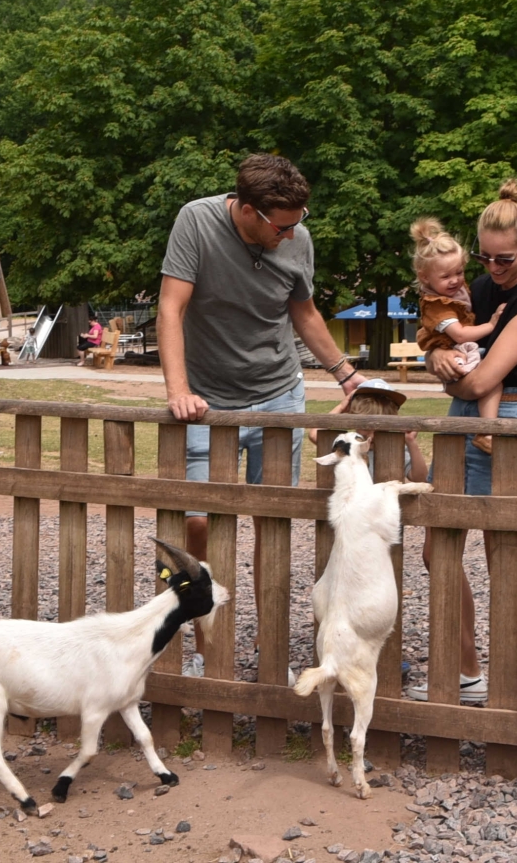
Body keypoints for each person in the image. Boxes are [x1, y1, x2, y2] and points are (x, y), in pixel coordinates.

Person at [159, 154, 368, 670]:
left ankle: (268, 643)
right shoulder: (196, 221)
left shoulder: (296, 235)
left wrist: (346, 373)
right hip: (208, 401)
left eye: (299, 222)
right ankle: (207, 647)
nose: (292, 233)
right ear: (248, 211)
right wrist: (179, 390)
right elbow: (171, 307)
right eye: (282, 225)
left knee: (269, 524)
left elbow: (304, 311)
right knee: (200, 522)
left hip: (278, 395)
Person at [413, 180, 517, 711]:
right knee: (437, 547)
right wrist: (436, 359)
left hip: (511, 420)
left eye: (505, 258)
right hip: (463, 418)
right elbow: (447, 345)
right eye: (485, 257)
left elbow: (479, 381)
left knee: (504, 555)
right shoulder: (476, 286)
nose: (493, 269)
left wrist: (449, 374)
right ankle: (469, 670)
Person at [411, 217, 504, 441]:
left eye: (459, 273)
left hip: (458, 352)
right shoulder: (438, 305)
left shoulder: (454, 292)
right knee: (492, 381)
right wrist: (491, 325)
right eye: (446, 276)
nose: (455, 281)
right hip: (457, 353)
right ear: (425, 277)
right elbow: (460, 334)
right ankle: (487, 431)